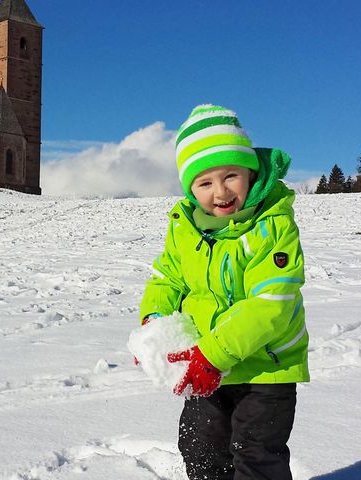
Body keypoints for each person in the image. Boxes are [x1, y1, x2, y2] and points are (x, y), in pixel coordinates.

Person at [139, 105, 309, 480]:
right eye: (205, 183)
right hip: (207, 367)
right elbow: (167, 278)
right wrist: (154, 325)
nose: (220, 192)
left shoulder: (272, 226)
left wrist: (213, 355)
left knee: (257, 456)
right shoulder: (185, 226)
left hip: (266, 369)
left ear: (249, 173)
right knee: (200, 448)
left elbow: (271, 305)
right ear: (190, 187)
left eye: (230, 175)